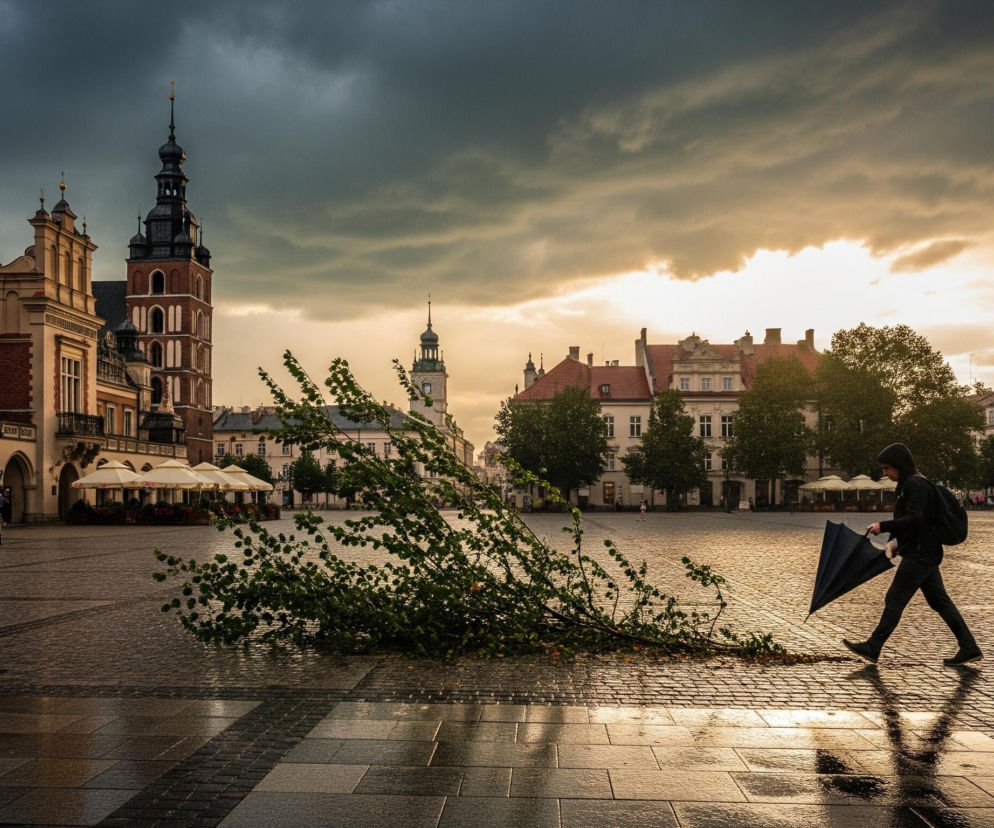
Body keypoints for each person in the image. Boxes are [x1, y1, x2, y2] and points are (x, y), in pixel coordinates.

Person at [843, 443, 981, 667]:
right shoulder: (912, 482)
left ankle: (873, 646)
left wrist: (884, 525)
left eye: (887, 468)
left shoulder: (915, 484)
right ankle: (969, 647)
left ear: (899, 465)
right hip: (924, 551)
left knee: (895, 599)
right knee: (940, 601)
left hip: (919, 555)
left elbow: (917, 519)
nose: (885, 473)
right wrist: (899, 542)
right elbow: (919, 523)